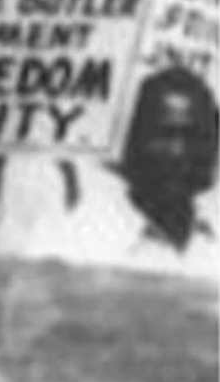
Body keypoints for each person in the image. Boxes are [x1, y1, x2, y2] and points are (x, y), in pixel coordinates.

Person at [25, 68, 219, 278]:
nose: (178, 152)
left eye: (195, 137)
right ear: (130, 143)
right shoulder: (75, 240)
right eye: (164, 135)